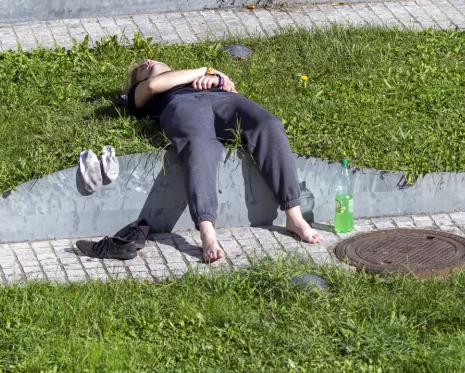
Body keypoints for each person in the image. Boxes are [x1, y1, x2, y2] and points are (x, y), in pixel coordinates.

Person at [124, 59, 323, 263]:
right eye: (141, 69)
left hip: (223, 99)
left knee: (269, 125)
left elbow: (230, 86)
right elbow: (153, 85)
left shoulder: (202, 76)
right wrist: (209, 71)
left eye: (151, 61)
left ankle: (294, 216)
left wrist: (218, 79)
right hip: (182, 104)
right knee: (199, 144)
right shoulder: (145, 92)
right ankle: (207, 231)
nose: (147, 62)